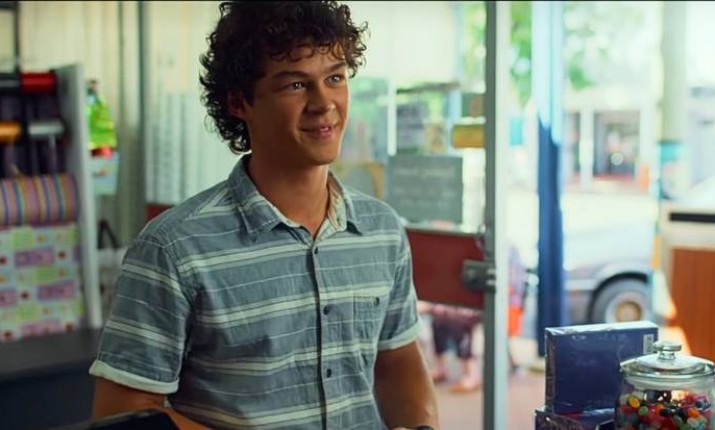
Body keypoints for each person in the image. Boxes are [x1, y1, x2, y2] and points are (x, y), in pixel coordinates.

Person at [88, 2, 439, 429]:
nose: (324, 103)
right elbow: (124, 414)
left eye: (335, 78)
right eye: (296, 85)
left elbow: (397, 360)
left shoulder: (381, 230)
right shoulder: (173, 248)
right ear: (239, 102)